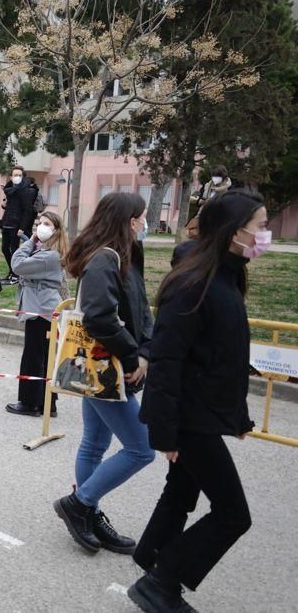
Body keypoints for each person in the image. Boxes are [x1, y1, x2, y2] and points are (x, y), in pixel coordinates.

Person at [128, 191, 265, 613]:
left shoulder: (225, 276)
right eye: (259, 226)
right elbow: (167, 362)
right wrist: (165, 432)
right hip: (189, 419)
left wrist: (237, 417)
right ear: (233, 231)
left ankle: (151, 556)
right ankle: (161, 582)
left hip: (203, 414)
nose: (263, 235)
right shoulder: (192, 284)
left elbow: (223, 360)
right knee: (233, 514)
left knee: (182, 490)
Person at [53, 192, 155, 556]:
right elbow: (99, 316)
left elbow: (140, 310)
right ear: (129, 221)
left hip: (104, 366)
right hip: (105, 368)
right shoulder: (105, 259)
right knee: (142, 449)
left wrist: (145, 351)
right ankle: (80, 504)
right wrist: (132, 357)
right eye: (142, 218)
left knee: (94, 445)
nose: (146, 224)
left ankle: (89, 514)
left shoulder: (125, 255)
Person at [6, 211, 68, 416]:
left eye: (47, 224)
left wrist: (30, 241)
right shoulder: (50, 252)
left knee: (33, 357)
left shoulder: (48, 255)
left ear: (56, 230)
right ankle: (48, 403)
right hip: (43, 308)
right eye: (39, 223)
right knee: (44, 357)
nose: (40, 227)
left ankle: (30, 402)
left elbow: (17, 264)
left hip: (40, 310)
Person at [0, 166, 37, 284]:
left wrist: (22, 227)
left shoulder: (26, 191)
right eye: (15, 175)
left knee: (14, 250)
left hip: (17, 225)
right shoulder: (9, 189)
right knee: (5, 249)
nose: (17, 177)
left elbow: (28, 211)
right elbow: (10, 206)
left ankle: (16, 274)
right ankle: (12, 271)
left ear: (23, 176)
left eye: (19, 175)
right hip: (7, 223)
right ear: (11, 177)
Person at [185, 164, 232, 238]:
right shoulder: (208, 185)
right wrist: (201, 201)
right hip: (204, 215)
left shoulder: (227, 189)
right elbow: (201, 198)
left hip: (218, 218)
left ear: (223, 177)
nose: (215, 178)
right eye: (214, 176)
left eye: (217, 176)